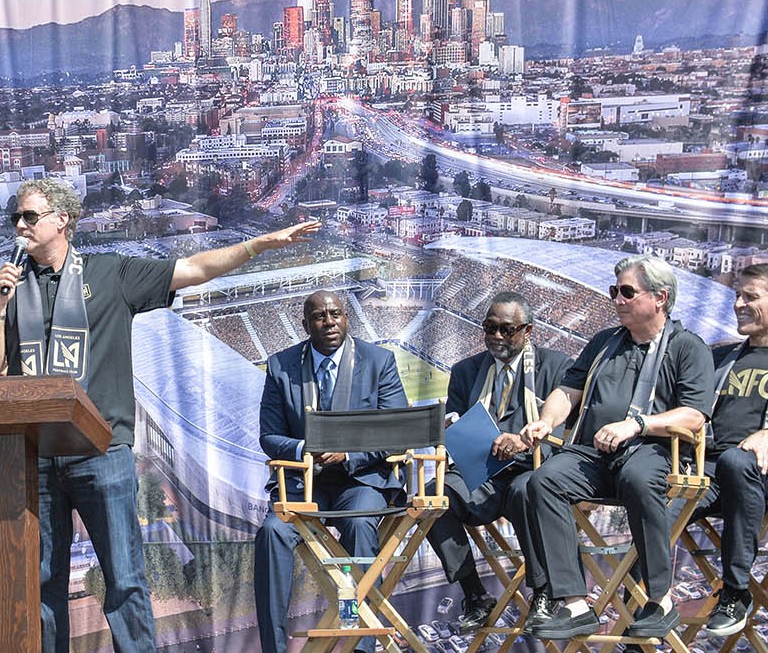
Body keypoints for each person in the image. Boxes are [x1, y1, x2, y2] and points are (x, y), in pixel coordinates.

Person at [0, 177, 319, 653]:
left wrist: (259, 244)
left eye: (29, 216)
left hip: (102, 449)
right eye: (16, 217)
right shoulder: (9, 287)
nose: (19, 225)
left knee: (125, 578)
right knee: (43, 582)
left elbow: (192, 269)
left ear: (61, 220)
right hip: (36, 455)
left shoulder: (110, 273)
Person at [520, 256, 714, 640]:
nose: (617, 300)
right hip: (594, 455)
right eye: (615, 292)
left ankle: (661, 598)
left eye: (627, 292)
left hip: (654, 452)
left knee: (638, 476)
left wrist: (639, 424)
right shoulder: (604, 343)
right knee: (542, 481)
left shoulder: (688, 347)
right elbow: (567, 390)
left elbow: (695, 416)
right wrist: (547, 419)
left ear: (660, 298)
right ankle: (575, 603)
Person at [252, 290, 408, 653]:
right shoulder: (280, 366)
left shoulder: (378, 361)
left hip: (362, 478)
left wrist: (350, 454)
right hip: (304, 482)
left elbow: (397, 431)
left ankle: (363, 645)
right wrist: (305, 450)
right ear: (305, 324)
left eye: (336, 314)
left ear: (347, 318)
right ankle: (272, 647)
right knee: (272, 532)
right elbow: (269, 436)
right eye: (320, 317)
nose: (329, 322)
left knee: (359, 522)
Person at [423, 293, 572, 633]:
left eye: (507, 330)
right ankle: (475, 594)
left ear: (528, 331)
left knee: (529, 490)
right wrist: (454, 431)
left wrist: (522, 444)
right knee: (434, 495)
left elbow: (563, 432)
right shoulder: (465, 371)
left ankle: (544, 594)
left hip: (534, 471)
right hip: (482, 473)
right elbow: (453, 424)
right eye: (490, 328)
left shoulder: (556, 367)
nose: (497, 337)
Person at [693, 263, 768, 637]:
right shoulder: (720, 358)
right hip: (710, 472)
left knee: (740, 460)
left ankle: (736, 591)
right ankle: (642, 606)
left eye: (750, 296)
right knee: (647, 488)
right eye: (737, 295)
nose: (738, 303)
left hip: (758, 475)